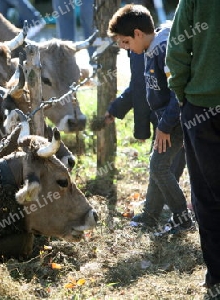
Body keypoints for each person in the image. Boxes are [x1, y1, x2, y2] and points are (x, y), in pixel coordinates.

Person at [107, 4, 193, 233]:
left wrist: (164, 126)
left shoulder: (164, 49)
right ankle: (151, 215)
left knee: (159, 167)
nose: (126, 48)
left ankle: (182, 218)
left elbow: (177, 91)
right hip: (166, 121)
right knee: (158, 166)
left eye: (126, 42)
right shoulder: (149, 49)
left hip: (175, 121)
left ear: (137, 33)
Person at [166, 0, 220, 295]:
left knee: (208, 196)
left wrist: (183, 94)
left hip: (201, 106)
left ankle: (217, 275)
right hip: (199, 104)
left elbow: (177, 49)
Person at [105, 50, 186, 181]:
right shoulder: (139, 48)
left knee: (165, 171)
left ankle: (170, 201)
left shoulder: (150, 49)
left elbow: (174, 90)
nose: (119, 46)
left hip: (173, 120)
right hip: (163, 120)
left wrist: (166, 125)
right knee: (160, 171)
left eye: (123, 41)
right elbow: (138, 86)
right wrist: (115, 109)